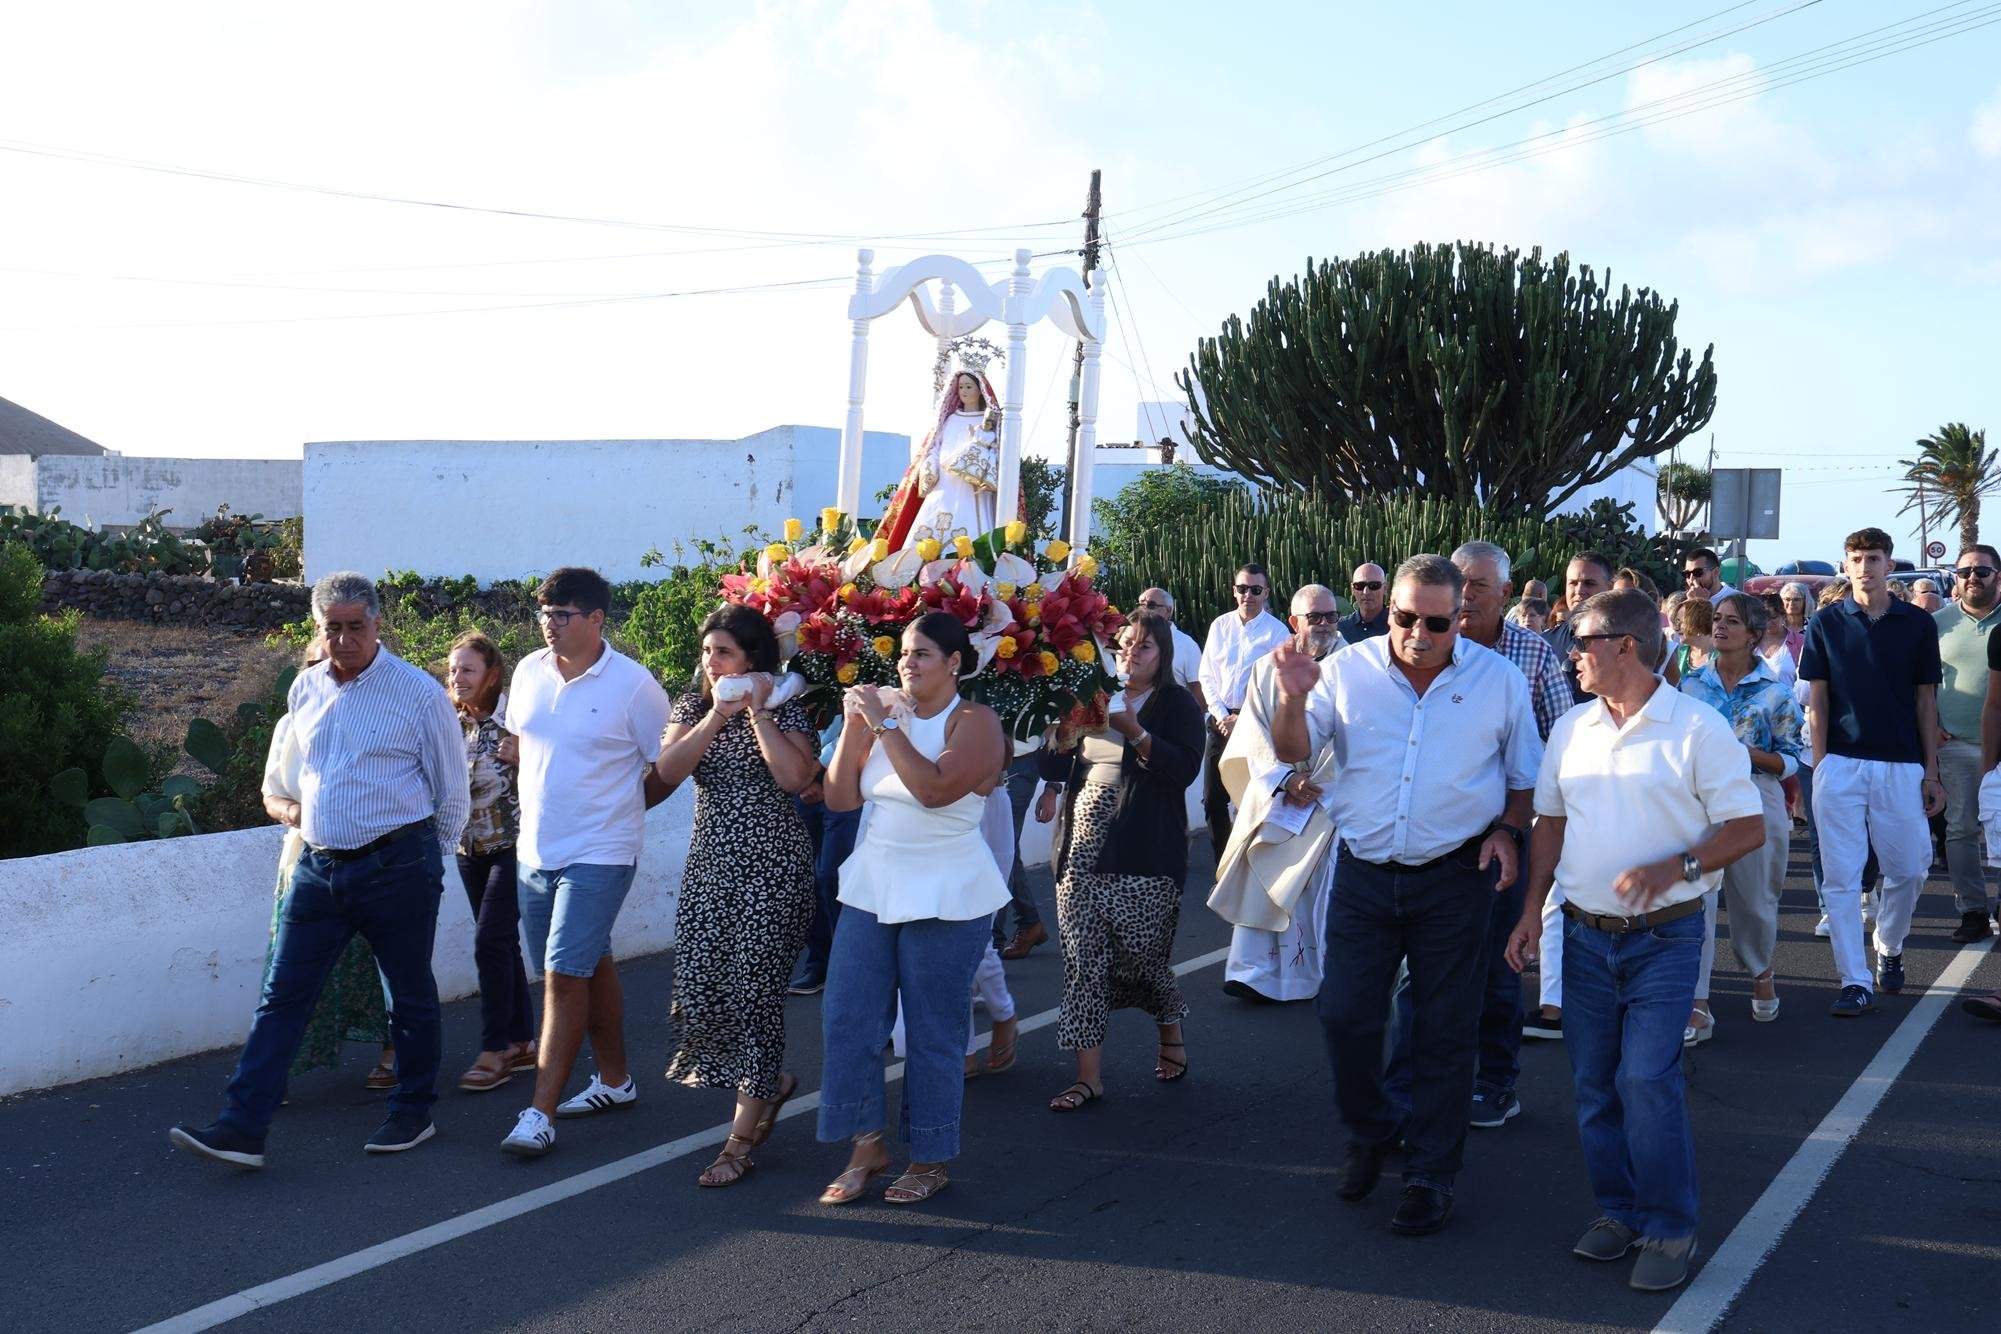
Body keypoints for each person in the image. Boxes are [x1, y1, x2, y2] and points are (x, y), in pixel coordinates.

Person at [1504, 588, 1766, 1293]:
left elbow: (1746, 828)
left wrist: (1675, 868)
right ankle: (1617, 1211)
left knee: (1644, 1081)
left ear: (1624, 644)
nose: (1569, 656)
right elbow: (1549, 825)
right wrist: (1530, 911)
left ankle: (1670, 1224)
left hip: (1665, 939)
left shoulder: (1696, 728)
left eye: (1581, 641)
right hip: (1584, 939)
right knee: (1593, 1085)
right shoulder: (1572, 729)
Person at [1271, 555, 1539, 1237]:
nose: (1418, 632)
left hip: (1455, 877)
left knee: (1445, 1031)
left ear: (1463, 617)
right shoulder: (1346, 670)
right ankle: (1370, 1130)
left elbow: (1524, 777)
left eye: (1437, 621)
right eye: (1404, 616)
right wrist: (1293, 697)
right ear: (1388, 607)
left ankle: (1429, 1173)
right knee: (1343, 1016)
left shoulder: (1498, 681)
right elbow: (1291, 750)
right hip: (1363, 871)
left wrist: (1508, 831)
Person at [171, 572, 470, 1169]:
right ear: (319, 628)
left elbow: (452, 791)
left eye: (355, 627)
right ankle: (242, 1127)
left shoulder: (417, 693)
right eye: (332, 628)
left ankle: (412, 1112)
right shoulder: (305, 689)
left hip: (396, 865)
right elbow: (305, 776)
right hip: (317, 867)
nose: (343, 639)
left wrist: (425, 866)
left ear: (377, 625)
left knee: (407, 995)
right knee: (282, 998)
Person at [815, 612, 1010, 1207]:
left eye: (922, 653)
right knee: (848, 1020)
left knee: (933, 1029)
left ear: (955, 662)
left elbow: (933, 790)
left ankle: (929, 1155)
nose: (907, 663)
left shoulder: (976, 721)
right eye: (903, 652)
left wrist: (884, 725)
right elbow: (840, 798)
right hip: (874, 886)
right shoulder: (883, 719)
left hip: (950, 892)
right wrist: (857, 726)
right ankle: (867, 1144)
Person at [1384, 541, 1570, 1130]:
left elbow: (1559, 749)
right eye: (1456, 585)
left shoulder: (1533, 657)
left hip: (1502, 842)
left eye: (1477, 586)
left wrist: (1519, 827)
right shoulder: (1423, 648)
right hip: (1428, 843)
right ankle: (1405, 1095)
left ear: (1506, 594)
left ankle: (1495, 1081)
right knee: (1417, 977)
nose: (1463, 598)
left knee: (1495, 969)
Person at [501, 568, 672, 1157]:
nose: (549, 624)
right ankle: (617, 1081)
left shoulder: (634, 686)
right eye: (543, 613)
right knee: (589, 962)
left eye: (562, 615)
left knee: (562, 975)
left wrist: (624, 810)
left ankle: (538, 1112)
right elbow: (521, 744)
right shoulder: (527, 672)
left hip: (602, 851)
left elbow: (664, 766)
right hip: (535, 851)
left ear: (597, 619)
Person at [653, 604, 819, 1186]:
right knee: (705, 987)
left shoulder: (787, 705)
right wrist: (715, 719)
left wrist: (757, 715)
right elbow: (669, 770)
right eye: (707, 651)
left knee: (754, 988)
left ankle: (740, 1137)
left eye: (724, 652)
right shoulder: (693, 705)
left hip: (773, 866)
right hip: (712, 867)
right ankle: (768, 1083)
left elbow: (795, 779)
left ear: (753, 659)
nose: (712, 661)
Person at [1042, 612, 1206, 1110]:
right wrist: (1058, 731)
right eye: (1126, 644)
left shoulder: (1176, 704)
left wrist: (1134, 730)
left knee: (1142, 959)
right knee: (1083, 961)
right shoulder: (1091, 692)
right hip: (1081, 844)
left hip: (1144, 844)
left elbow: (1182, 770)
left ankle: (1169, 1027)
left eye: (1146, 647)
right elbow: (1054, 761)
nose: (1132, 653)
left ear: (1163, 656)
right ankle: (1088, 1077)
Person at [1801, 528, 1945, 1016]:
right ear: (1845, 565)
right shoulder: (1824, 623)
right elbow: (1816, 700)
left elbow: (1927, 702)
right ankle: (1853, 979)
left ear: (1889, 565)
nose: (1865, 566)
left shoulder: (1917, 625)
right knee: (1841, 879)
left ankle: (1889, 942)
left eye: (1874, 557)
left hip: (1901, 764)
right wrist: (1821, 767)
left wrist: (1931, 771)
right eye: (1856, 558)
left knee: (1910, 867)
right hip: (1840, 763)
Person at [255, 637, 397, 1092]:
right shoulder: (288, 724)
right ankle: (270, 1074)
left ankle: (396, 1051)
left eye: (331, 664)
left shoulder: (380, 717)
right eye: (315, 664)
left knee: (384, 965)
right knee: (289, 973)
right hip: (305, 861)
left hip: (372, 859)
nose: (325, 671)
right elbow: (271, 794)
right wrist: (298, 814)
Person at [1678, 594, 1802, 1038]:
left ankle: (1761, 972)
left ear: (1752, 634)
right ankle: (1698, 1000)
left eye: (1732, 621)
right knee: (1696, 898)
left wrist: (1746, 754)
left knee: (1754, 898)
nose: (1720, 627)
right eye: (1716, 619)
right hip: (1699, 802)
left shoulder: (1776, 692)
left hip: (1756, 797)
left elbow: (1791, 759)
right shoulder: (1690, 686)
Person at [1211, 584, 1343, 1004]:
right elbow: (1253, 730)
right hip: (1281, 793)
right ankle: (1253, 972)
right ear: (1294, 621)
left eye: (1330, 616)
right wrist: (1285, 780)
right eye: (1314, 617)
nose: (1323, 624)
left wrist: (1318, 783)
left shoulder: (1353, 665)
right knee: (1261, 866)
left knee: (1313, 885)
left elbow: (1360, 734)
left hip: (1329, 797)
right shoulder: (1267, 668)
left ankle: (1315, 977)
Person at [1528, 550, 1616, 1041]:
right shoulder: (1548, 646)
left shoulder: (1633, 643)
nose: (1579, 590)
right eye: (1573, 582)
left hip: (1618, 785)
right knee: (1553, 896)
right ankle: (1553, 1006)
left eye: (1589, 582)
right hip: (1563, 783)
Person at [446, 632, 537, 1091]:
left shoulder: (516, 720)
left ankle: (494, 1047)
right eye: (453, 669)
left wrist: (527, 755)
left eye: (467, 669)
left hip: (514, 846)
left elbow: (555, 764)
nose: (457, 678)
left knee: (489, 942)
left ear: (492, 675)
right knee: (503, 946)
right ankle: (521, 1042)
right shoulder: (451, 723)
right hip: (469, 850)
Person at [1198, 563, 1291, 862]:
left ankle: (1252, 868)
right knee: (1213, 799)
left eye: (1255, 590)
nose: (1247, 595)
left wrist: (1244, 718)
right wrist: (1221, 715)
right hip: (1220, 721)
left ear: (1266, 593)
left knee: (1253, 799)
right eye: (1242, 588)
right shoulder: (1219, 626)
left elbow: (1277, 686)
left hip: (1256, 724)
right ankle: (1223, 864)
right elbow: (1206, 674)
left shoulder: (1278, 632)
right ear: (1233, 590)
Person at [1936, 546, 2001, 945]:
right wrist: (1931, 727)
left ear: (1998, 576)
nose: (1972, 578)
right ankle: (1973, 911)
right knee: (1960, 830)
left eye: (1982, 571)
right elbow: (1921, 685)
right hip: (1956, 743)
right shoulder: (1936, 624)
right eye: (1963, 572)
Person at [875, 365, 1004, 551]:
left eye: (969, 387)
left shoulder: (986, 422)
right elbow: (935, 446)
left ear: (980, 390)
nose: (964, 392)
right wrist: (931, 465)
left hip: (971, 486)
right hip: (944, 484)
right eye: (961, 387)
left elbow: (995, 452)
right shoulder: (950, 419)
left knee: (972, 526)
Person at [1663, 595, 1713, 686]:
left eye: (1680, 622)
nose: (1675, 627)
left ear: (1697, 623)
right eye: (1675, 622)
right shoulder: (1678, 653)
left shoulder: (1723, 656)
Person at [1337, 562, 1390, 644]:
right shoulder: (1341, 628)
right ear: (1352, 590)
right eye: (1359, 586)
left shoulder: (1396, 626)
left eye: (1374, 585)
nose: (1366, 592)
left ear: (1385, 588)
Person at [1778, 582, 1812, 663]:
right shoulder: (1776, 627)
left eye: (1796, 599)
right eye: (1787, 599)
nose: (1791, 603)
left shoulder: (1813, 626)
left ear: (1805, 601)